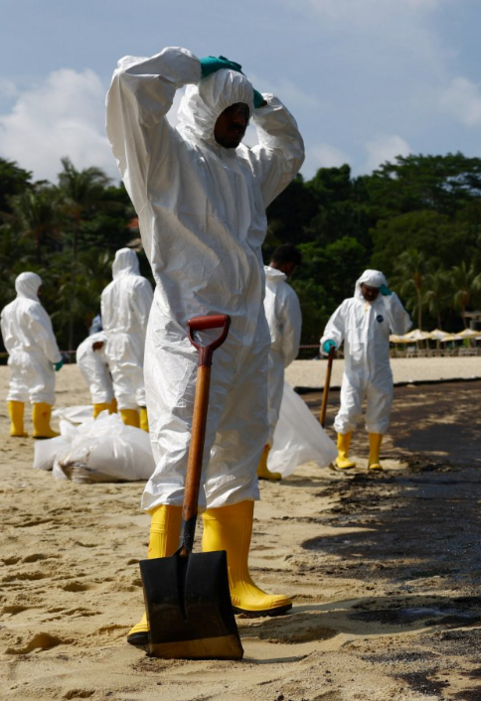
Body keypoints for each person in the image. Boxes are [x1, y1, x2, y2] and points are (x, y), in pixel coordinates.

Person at [106, 47, 304, 645]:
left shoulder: (242, 167)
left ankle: (234, 579)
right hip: (186, 331)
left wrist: (265, 104)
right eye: (232, 115)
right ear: (206, 106)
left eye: (244, 118)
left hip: (243, 330)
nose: (240, 126)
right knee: (179, 451)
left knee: (241, 448)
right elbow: (129, 85)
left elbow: (288, 150)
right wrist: (194, 67)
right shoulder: (162, 155)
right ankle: (159, 595)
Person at [320, 270, 411, 470]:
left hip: (380, 372)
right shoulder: (348, 306)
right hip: (353, 372)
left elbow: (402, 327)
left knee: (379, 411)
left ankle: (374, 458)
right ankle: (342, 455)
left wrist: (391, 298)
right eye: (367, 289)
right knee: (349, 409)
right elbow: (334, 328)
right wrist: (329, 342)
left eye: (375, 291)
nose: (370, 293)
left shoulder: (386, 307)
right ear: (360, 286)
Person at [258, 244, 303, 481]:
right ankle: (260, 465)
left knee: (238, 404)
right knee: (268, 408)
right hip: (271, 355)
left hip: (241, 352)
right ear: (288, 266)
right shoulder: (285, 293)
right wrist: (284, 360)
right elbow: (291, 336)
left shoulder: (250, 279)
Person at [2, 272, 63, 439]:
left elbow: (6, 334)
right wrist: (55, 357)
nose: (40, 291)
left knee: (17, 389)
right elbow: (44, 336)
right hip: (35, 356)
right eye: (39, 287)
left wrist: (13, 352)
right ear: (33, 286)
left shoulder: (7, 309)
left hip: (15, 355)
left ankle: (17, 428)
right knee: (41, 389)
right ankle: (41, 429)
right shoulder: (33, 307)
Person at [99, 248, 153, 430]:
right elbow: (148, 318)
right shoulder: (139, 283)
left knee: (123, 388)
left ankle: (130, 435)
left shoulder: (107, 290)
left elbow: (105, 322)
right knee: (144, 386)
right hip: (135, 339)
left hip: (113, 342)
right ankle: (147, 435)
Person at [76, 331, 115, 418]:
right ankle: (100, 421)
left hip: (97, 352)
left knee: (109, 387)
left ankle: (112, 416)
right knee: (100, 387)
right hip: (89, 353)